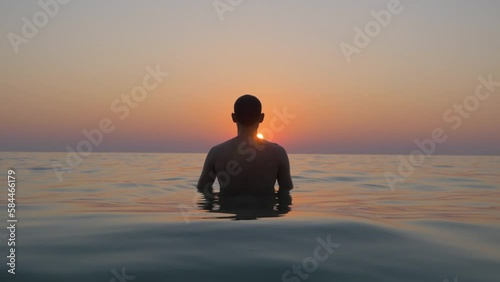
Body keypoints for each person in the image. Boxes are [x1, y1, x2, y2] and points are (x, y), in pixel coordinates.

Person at [197, 94, 293, 197]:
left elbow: (202, 189)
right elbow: (286, 192)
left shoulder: (216, 152)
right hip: (265, 211)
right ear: (261, 118)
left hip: (228, 210)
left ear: (233, 117)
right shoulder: (278, 153)